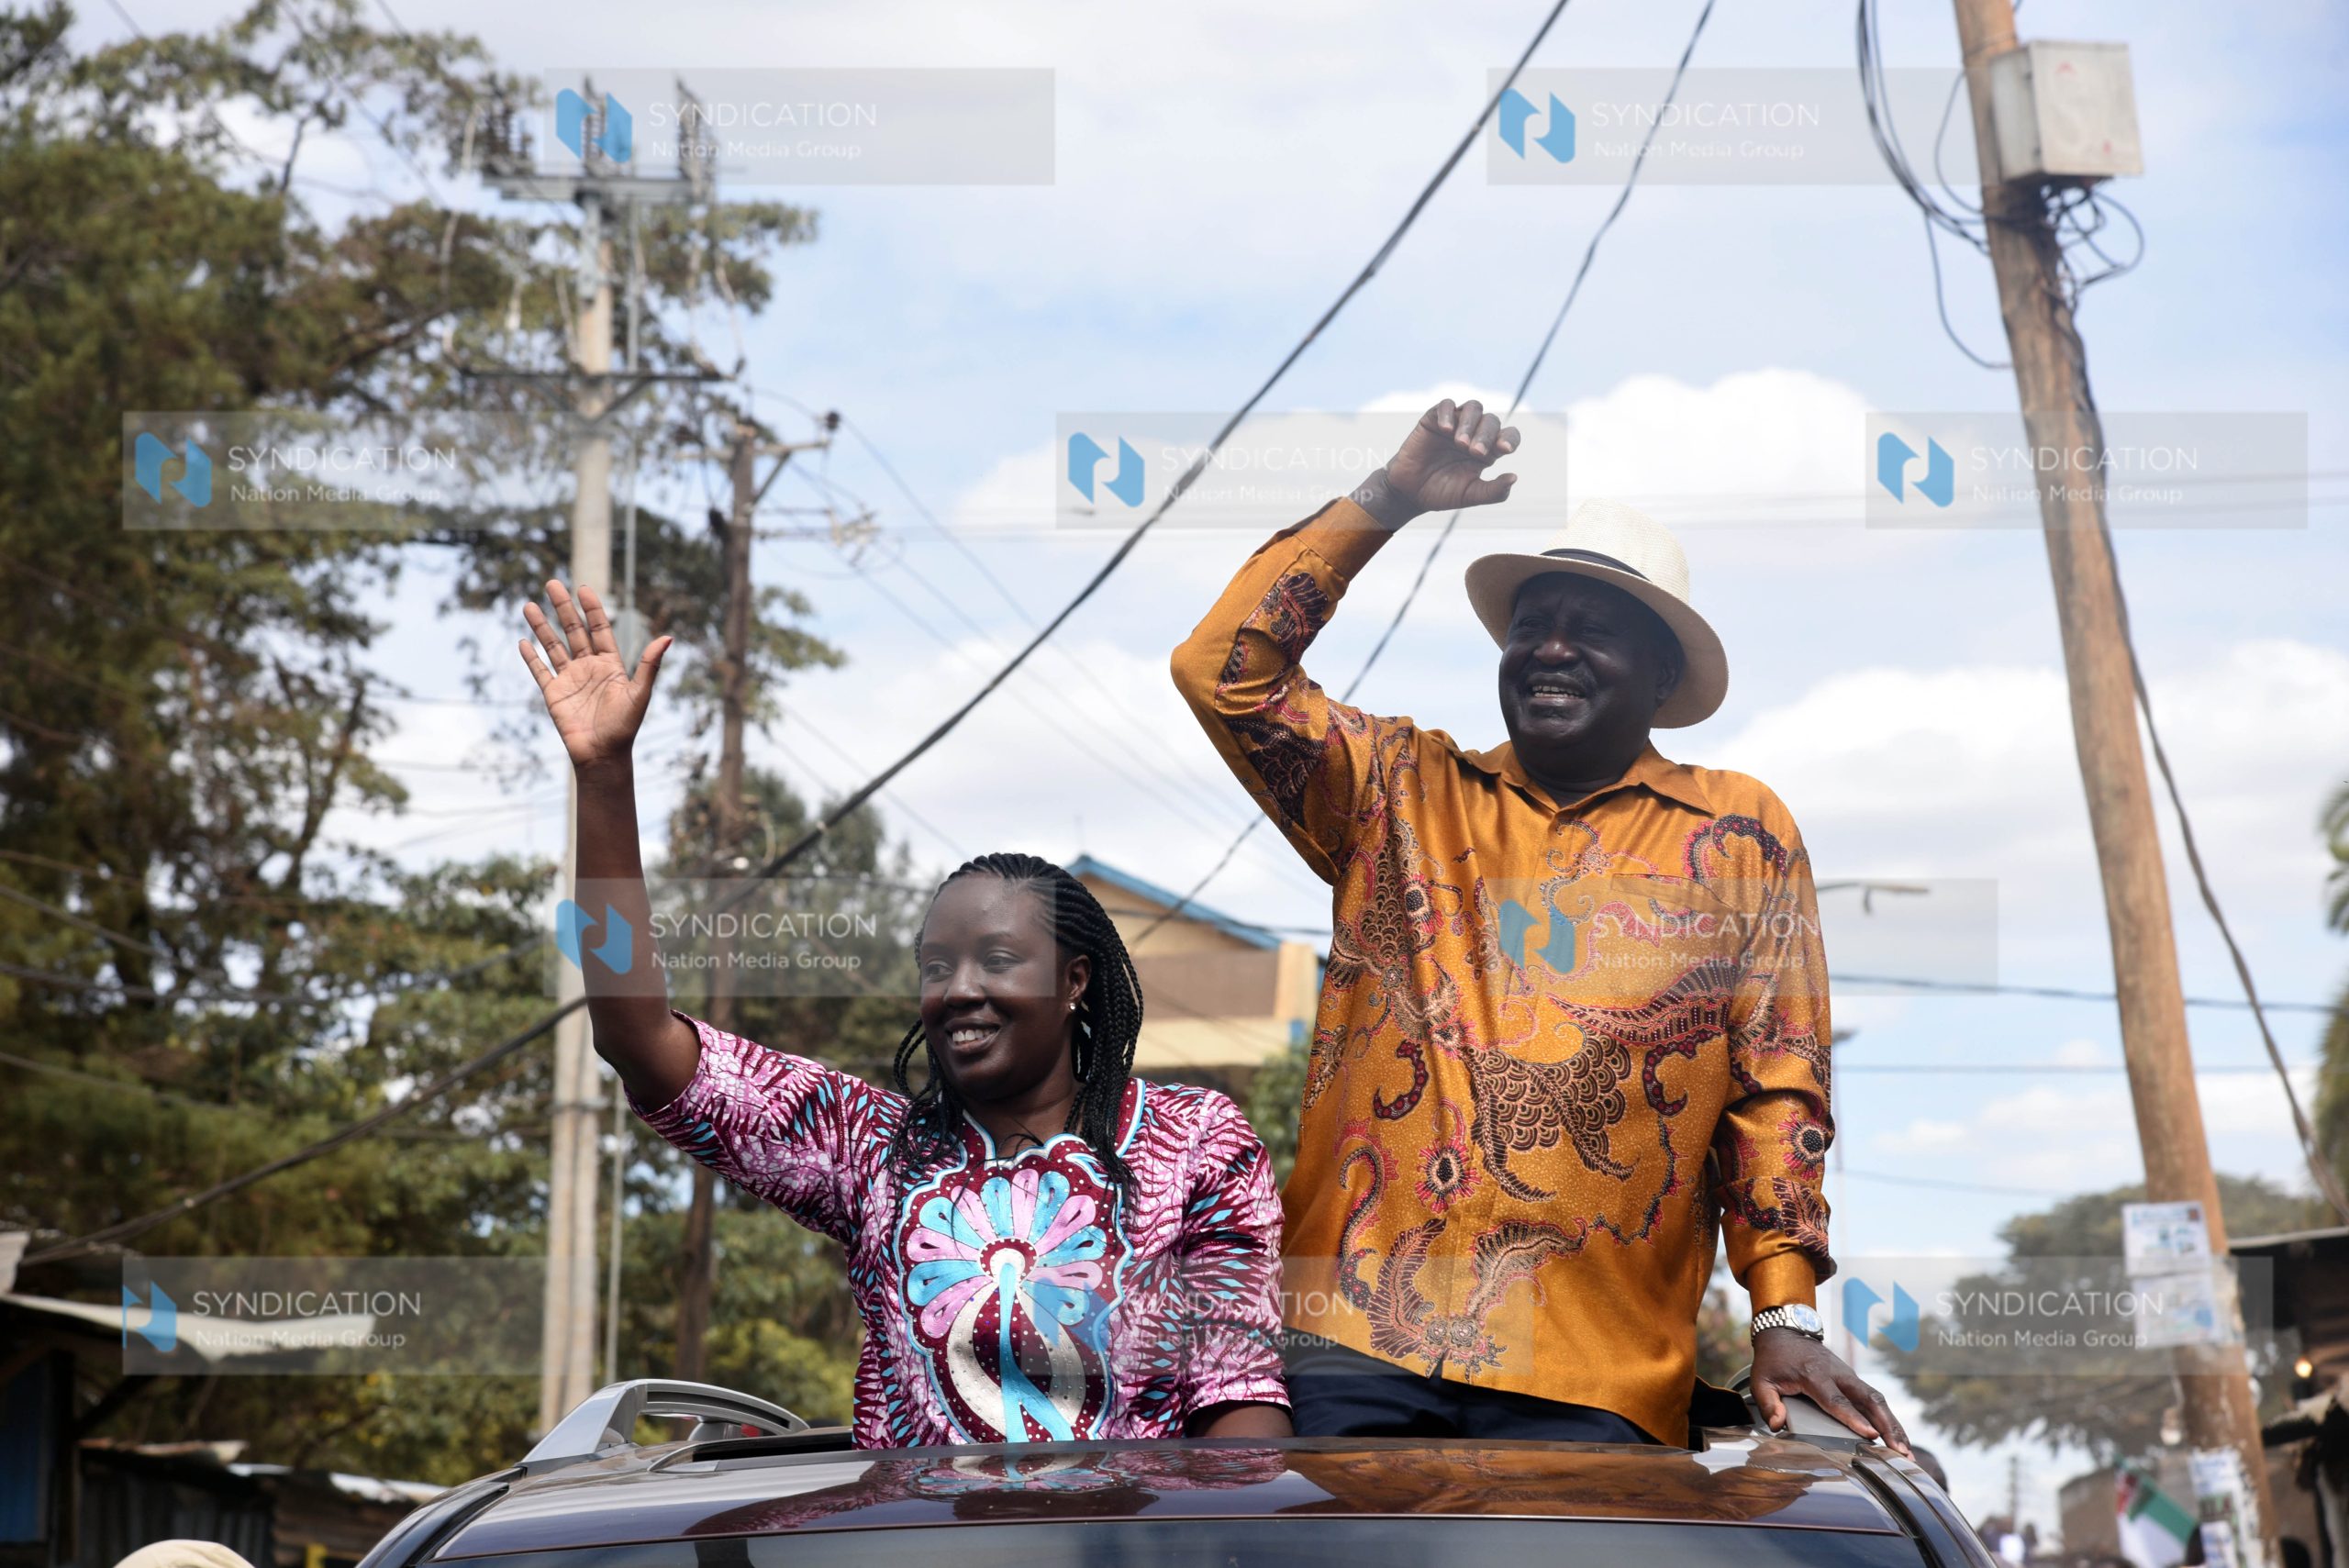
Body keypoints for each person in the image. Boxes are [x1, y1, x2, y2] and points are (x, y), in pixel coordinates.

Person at [1171, 397, 1909, 1452]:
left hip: (1593, 1368)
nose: (1550, 649)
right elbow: (1223, 673)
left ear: (1659, 672)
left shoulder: (1739, 831)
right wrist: (1384, 501)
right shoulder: (1396, 791)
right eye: (1531, 627)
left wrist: (1783, 1312)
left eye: (1592, 629)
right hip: (1350, 1346)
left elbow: (1775, 1084)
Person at [518, 580, 1291, 1446]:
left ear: (1076, 979)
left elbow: (1241, 1400)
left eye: (997, 960)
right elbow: (639, 1038)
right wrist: (603, 776)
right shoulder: (873, 1149)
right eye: (935, 966)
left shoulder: (1196, 1142)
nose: (959, 987)